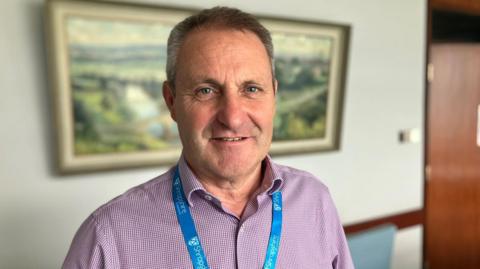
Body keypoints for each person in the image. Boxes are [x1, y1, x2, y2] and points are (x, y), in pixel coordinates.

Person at [63, 6, 353, 269]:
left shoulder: (315, 200)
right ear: (172, 101)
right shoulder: (108, 235)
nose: (232, 117)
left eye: (251, 89)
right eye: (206, 90)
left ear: (274, 97)